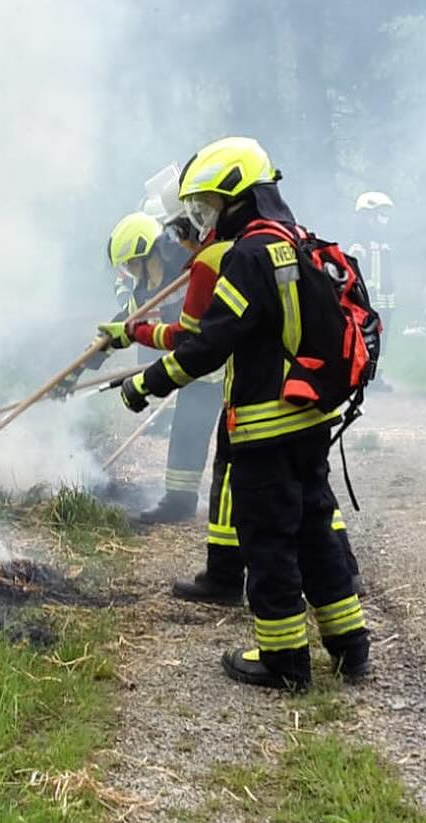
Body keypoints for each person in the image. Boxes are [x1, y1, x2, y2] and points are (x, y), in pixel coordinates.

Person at [117, 137, 368, 691]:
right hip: (308, 421)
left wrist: (145, 384)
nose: (204, 222)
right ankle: (350, 647)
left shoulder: (248, 256)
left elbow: (209, 342)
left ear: (241, 197)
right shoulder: (292, 242)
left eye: (209, 207)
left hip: (265, 424)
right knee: (314, 531)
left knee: (267, 539)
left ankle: (283, 661)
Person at [97, 206, 227, 526]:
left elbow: (185, 334)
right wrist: (80, 369)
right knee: (187, 429)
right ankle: (180, 500)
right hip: (199, 363)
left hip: (222, 362)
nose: (130, 272)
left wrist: (135, 336)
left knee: (235, 440)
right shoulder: (148, 287)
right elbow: (123, 324)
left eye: (131, 263)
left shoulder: (186, 266)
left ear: (146, 253)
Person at [350, 191, 395, 386]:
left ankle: (378, 376)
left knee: (382, 342)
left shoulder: (384, 243)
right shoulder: (358, 245)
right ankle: (365, 377)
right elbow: (357, 274)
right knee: (367, 339)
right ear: (367, 216)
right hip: (366, 303)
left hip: (385, 302)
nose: (383, 220)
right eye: (379, 213)